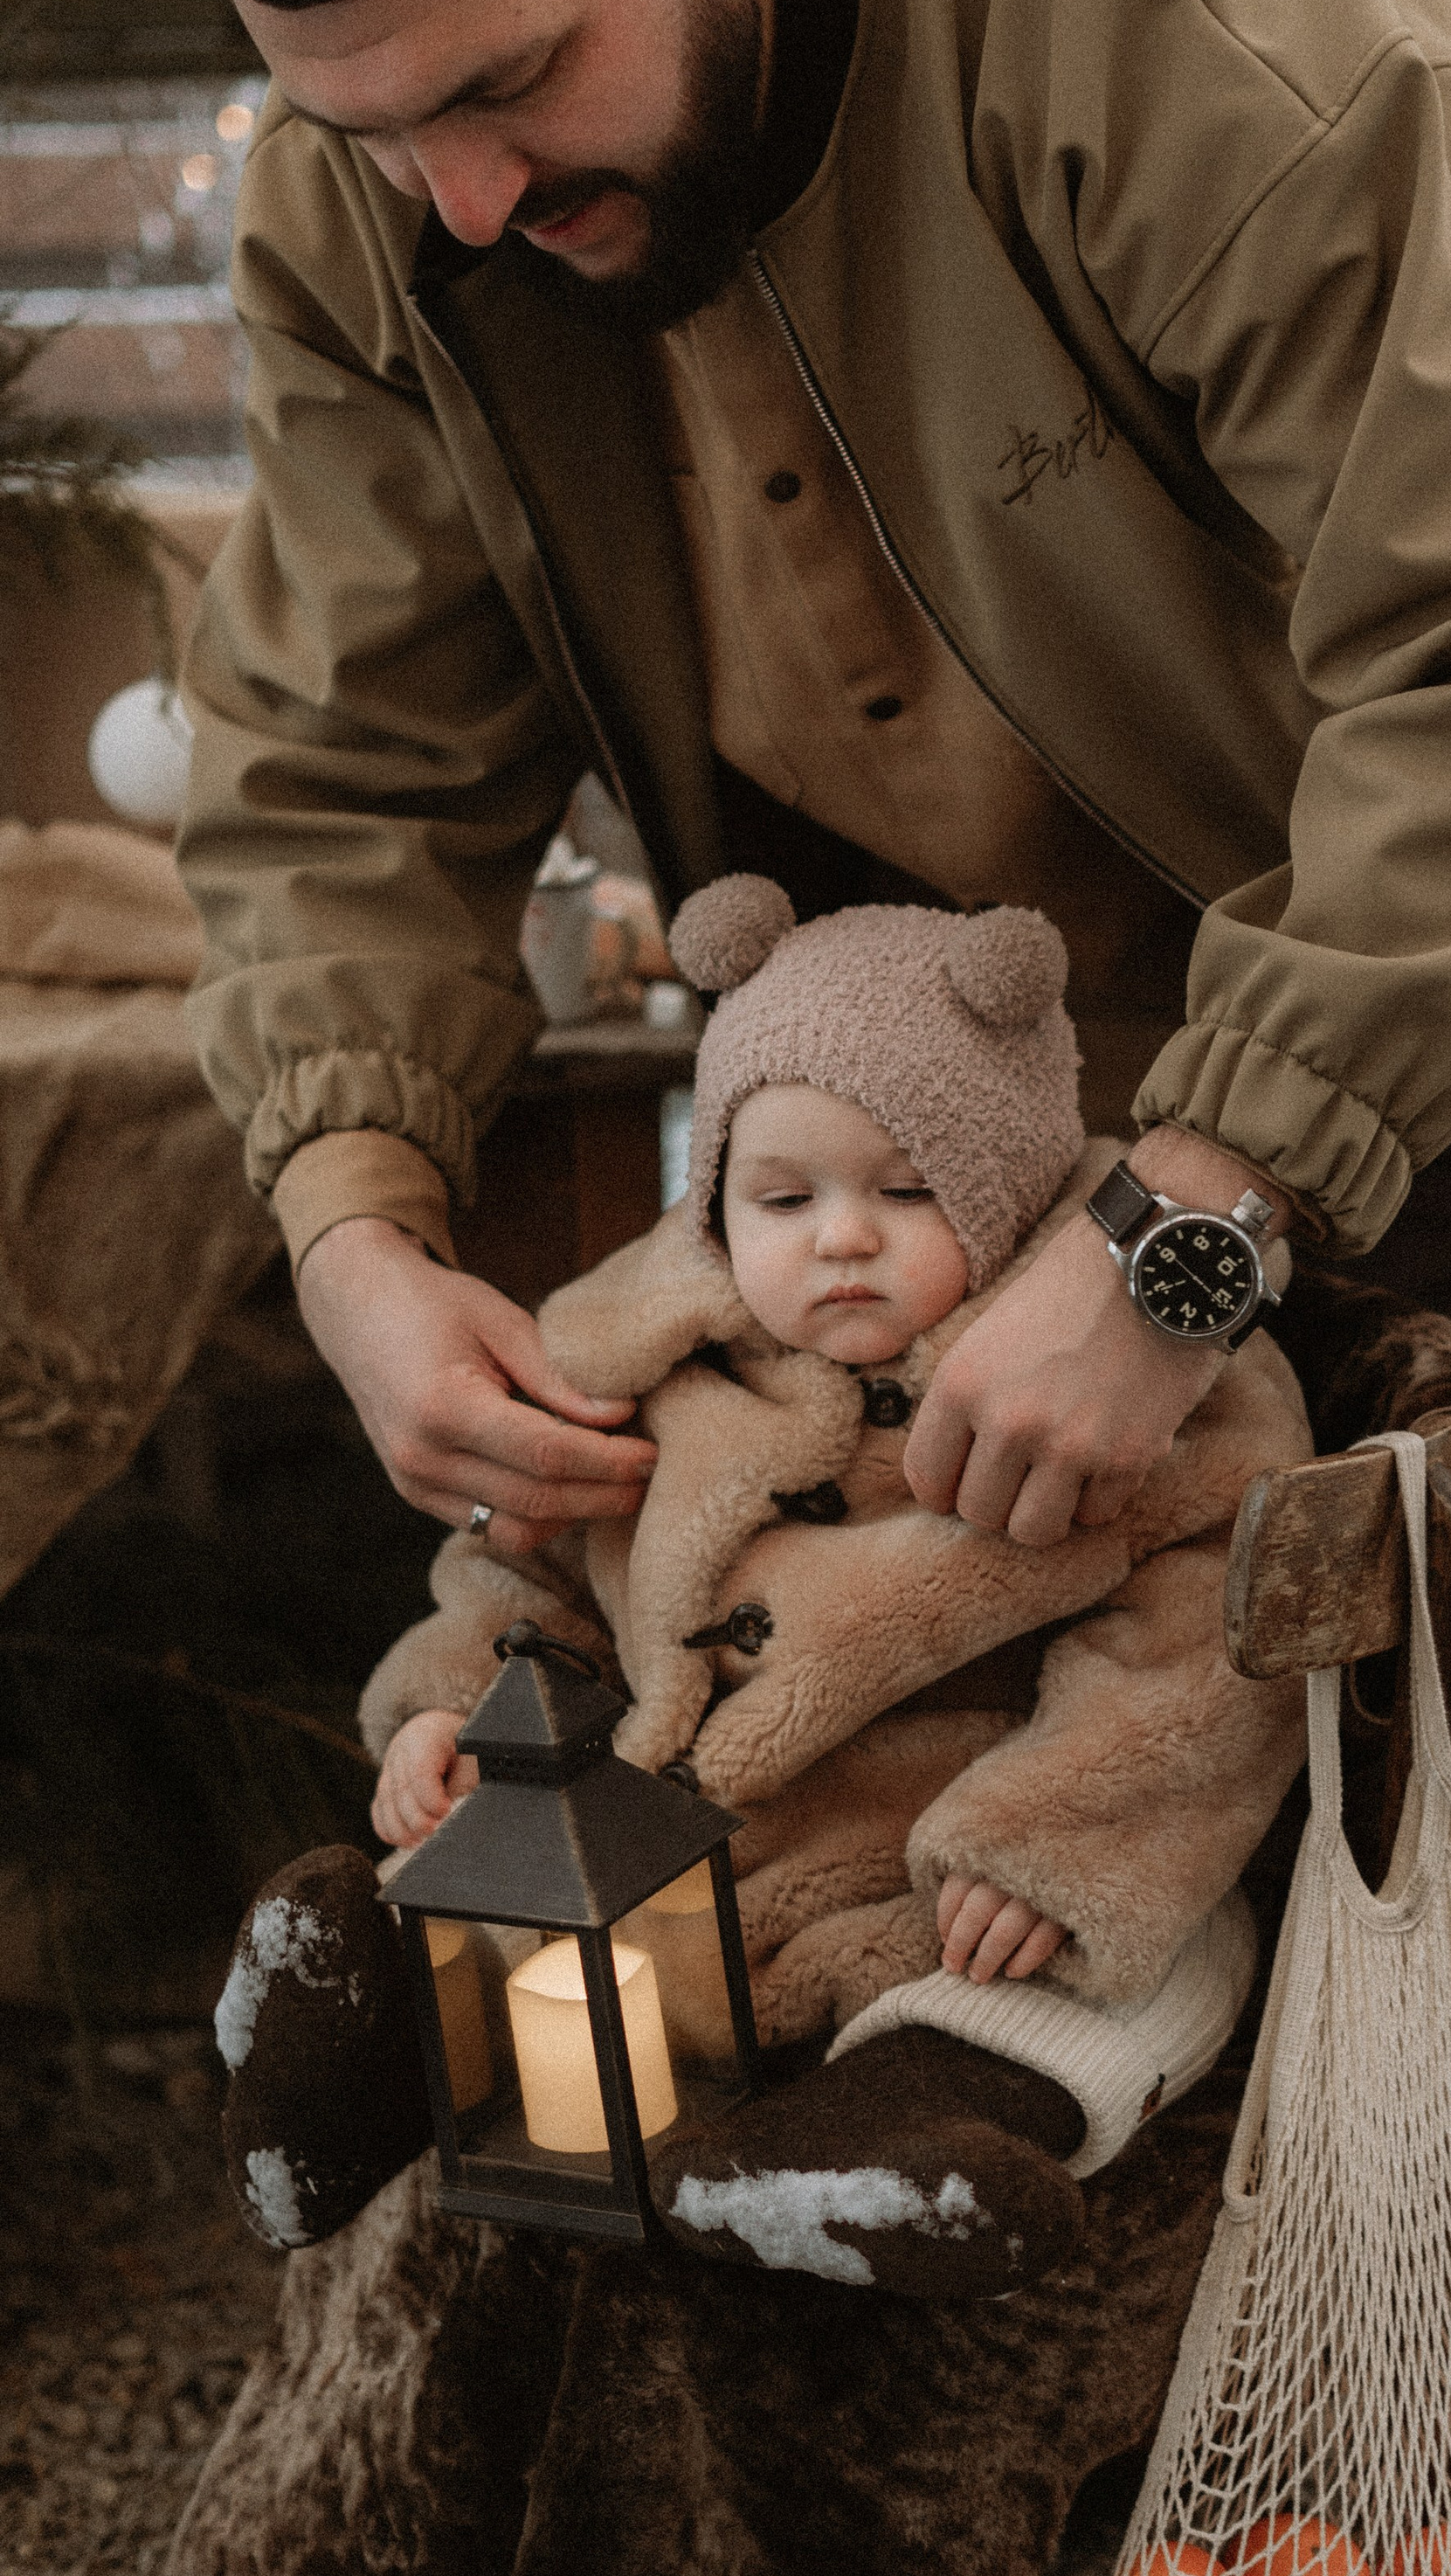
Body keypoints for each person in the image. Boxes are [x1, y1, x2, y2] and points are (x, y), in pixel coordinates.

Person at [171, 0, 1451, 2406]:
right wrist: (351, 1217)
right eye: (362, 127)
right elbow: (334, 762)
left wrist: (1186, 1232)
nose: (449, 206)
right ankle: (983, 2376)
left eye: (504, 89)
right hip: (931, 988)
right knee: (884, 1673)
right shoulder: (386, 167)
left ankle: (1446, 2515)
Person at [213, 882, 1309, 2293]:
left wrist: (1050, 1847)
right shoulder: (645, 1351)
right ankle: (353, 2068)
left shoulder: (1135, 1390)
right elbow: (522, 1557)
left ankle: (878, 2157)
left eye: (909, 1193)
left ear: (1025, 1193)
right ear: (716, 1194)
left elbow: (1195, 1650)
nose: (840, 1237)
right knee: (502, 1946)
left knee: (1058, 1993)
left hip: (930, 1862)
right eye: (783, 1198)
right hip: (650, 1865)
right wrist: (460, 1712)